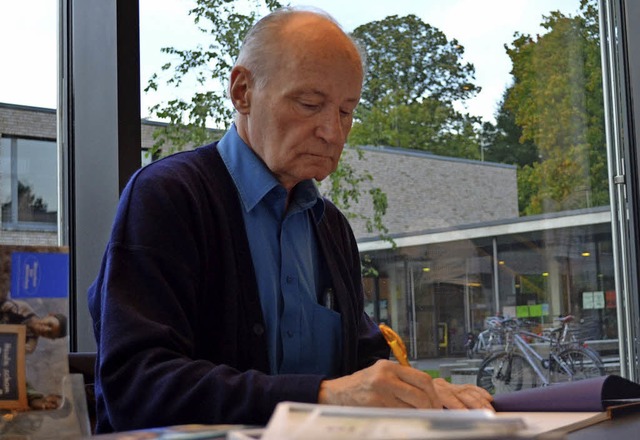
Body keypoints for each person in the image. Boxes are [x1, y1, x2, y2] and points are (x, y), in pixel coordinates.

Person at [88, 6, 493, 434]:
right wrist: (322, 395)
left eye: (345, 112)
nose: (332, 133)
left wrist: (424, 393)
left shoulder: (331, 227)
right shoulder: (168, 196)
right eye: (310, 104)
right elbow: (135, 385)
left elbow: (362, 370)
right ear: (242, 91)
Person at [0, 299, 68, 353]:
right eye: (49, 324)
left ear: (50, 339)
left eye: (49, 334)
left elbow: (6, 355)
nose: (45, 329)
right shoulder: (22, 308)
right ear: (50, 315)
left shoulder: (29, 346)